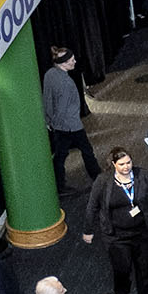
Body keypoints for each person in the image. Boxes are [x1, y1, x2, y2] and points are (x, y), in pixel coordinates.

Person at [82, 150, 148, 294]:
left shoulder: (142, 175)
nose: (126, 167)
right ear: (113, 164)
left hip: (141, 232)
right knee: (122, 270)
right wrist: (88, 230)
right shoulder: (103, 181)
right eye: (121, 164)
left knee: (143, 267)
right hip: (116, 236)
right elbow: (92, 206)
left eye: (128, 162)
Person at [43, 46, 99, 192]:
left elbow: (47, 101)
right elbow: (62, 109)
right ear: (63, 63)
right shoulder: (66, 84)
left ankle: (59, 185)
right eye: (71, 60)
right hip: (71, 125)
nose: (74, 61)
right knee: (87, 151)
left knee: (60, 156)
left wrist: (50, 121)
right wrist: (60, 123)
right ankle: (98, 178)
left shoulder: (49, 74)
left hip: (58, 125)